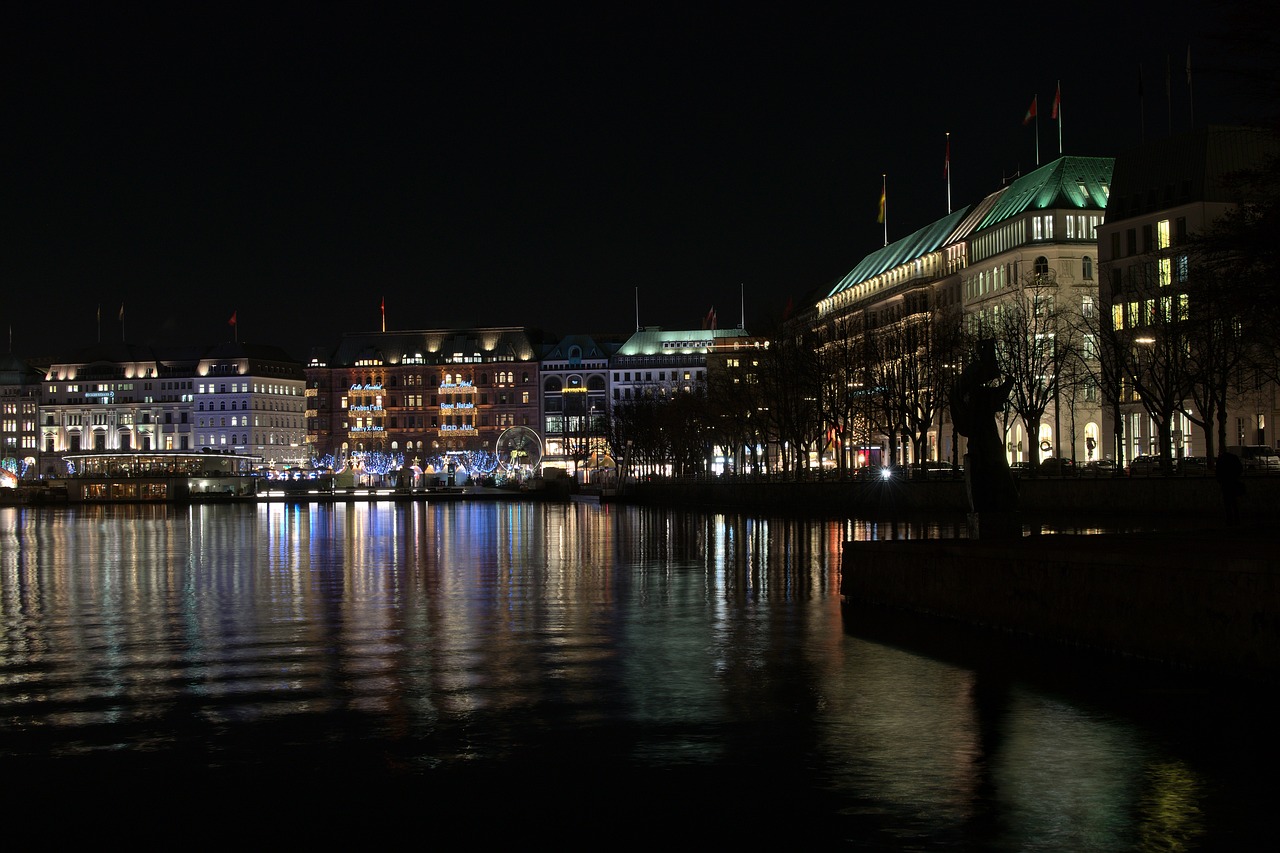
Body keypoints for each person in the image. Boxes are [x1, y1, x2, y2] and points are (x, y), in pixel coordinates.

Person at [1215, 450, 1244, 526]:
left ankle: (1229, 519)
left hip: (1225, 483)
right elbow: (1240, 469)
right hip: (1233, 482)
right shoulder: (1233, 458)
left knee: (1227, 503)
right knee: (1234, 502)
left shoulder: (1221, 460)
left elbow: (1217, 472)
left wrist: (1220, 480)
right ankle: (1237, 519)